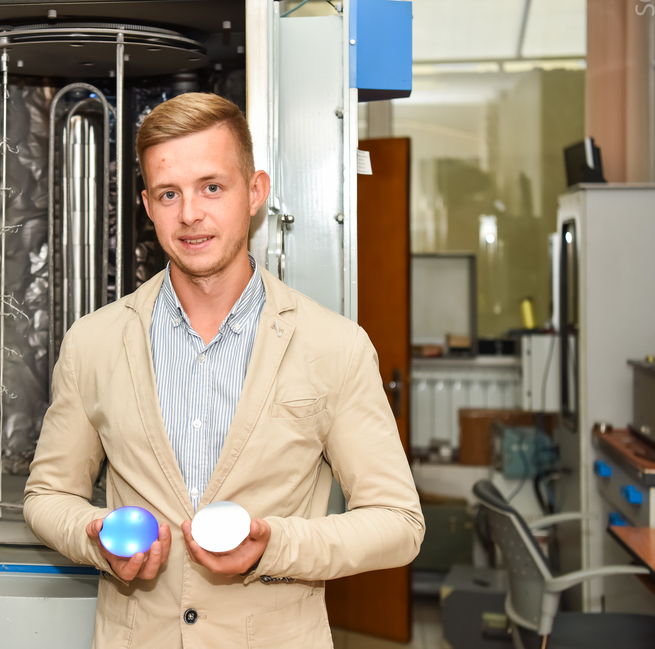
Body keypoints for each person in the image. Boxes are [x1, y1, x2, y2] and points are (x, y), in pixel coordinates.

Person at [24, 92, 424, 648]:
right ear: (147, 205)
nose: (190, 214)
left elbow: (398, 522)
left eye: (212, 187)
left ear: (255, 192)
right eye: (169, 193)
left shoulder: (335, 346)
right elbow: (47, 496)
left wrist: (274, 545)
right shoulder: (94, 342)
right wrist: (93, 536)